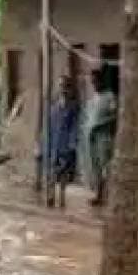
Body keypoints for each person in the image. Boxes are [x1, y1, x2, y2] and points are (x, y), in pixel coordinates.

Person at [78, 66, 118, 207]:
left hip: (104, 136)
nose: (94, 85)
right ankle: (98, 194)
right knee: (95, 167)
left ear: (102, 81)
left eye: (96, 81)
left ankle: (108, 195)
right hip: (91, 138)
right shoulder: (92, 100)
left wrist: (101, 124)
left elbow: (115, 116)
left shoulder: (110, 97)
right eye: (92, 82)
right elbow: (87, 118)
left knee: (105, 165)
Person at [41, 75, 81, 209]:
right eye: (61, 86)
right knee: (51, 170)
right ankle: (51, 195)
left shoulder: (73, 107)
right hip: (53, 143)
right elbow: (47, 126)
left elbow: (75, 126)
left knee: (64, 172)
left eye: (66, 86)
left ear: (70, 88)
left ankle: (62, 196)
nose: (63, 89)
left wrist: (72, 143)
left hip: (65, 144)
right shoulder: (53, 107)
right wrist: (43, 141)